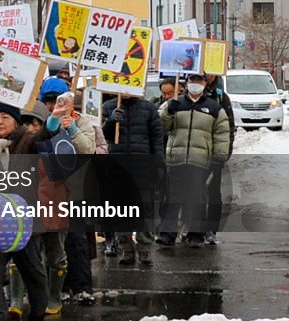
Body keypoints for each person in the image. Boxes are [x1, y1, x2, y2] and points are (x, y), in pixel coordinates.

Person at [0, 102, 48, 321]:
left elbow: (45, 141)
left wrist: (55, 122)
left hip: (23, 220)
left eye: (4, 118)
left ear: (16, 121)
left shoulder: (28, 141)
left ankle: (39, 310)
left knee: (31, 268)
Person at [34, 77, 96, 312]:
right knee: (52, 242)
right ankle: (55, 288)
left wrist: (71, 129)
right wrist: (52, 124)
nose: (53, 105)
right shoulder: (42, 122)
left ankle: (81, 286)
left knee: (76, 239)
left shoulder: (83, 123)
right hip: (48, 190)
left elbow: (88, 150)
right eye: (48, 100)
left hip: (75, 189)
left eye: (58, 100)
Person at [157, 73, 231, 248]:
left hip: (200, 161)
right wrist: (168, 112)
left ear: (205, 84)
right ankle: (168, 234)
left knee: (197, 198)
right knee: (172, 197)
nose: (195, 84)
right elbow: (160, 126)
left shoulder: (214, 108)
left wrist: (218, 157)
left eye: (199, 81)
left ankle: (195, 235)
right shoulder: (174, 104)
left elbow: (221, 134)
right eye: (192, 81)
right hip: (176, 158)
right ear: (186, 83)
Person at [100, 93, 165, 265]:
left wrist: (158, 164)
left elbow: (157, 140)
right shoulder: (108, 107)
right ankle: (126, 249)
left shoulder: (149, 109)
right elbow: (100, 135)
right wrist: (110, 121)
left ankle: (144, 249)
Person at [202, 73, 235, 244]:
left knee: (213, 193)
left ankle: (211, 230)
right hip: (191, 153)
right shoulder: (186, 96)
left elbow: (229, 128)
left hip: (214, 153)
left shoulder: (221, 97)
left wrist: (223, 155)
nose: (207, 75)